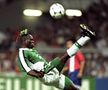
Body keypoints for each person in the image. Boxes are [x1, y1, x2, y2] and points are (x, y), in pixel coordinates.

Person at [17, 24, 95, 90]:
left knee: (74, 88)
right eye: (31, 40)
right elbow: (26, 69)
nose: (33, 41)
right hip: (47, 74)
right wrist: (37, 75)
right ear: (25, 41)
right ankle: (86, 37)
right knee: (64, 57)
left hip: (52, 73)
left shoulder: (31, 50)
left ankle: (86, 36)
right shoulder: (22, 52)